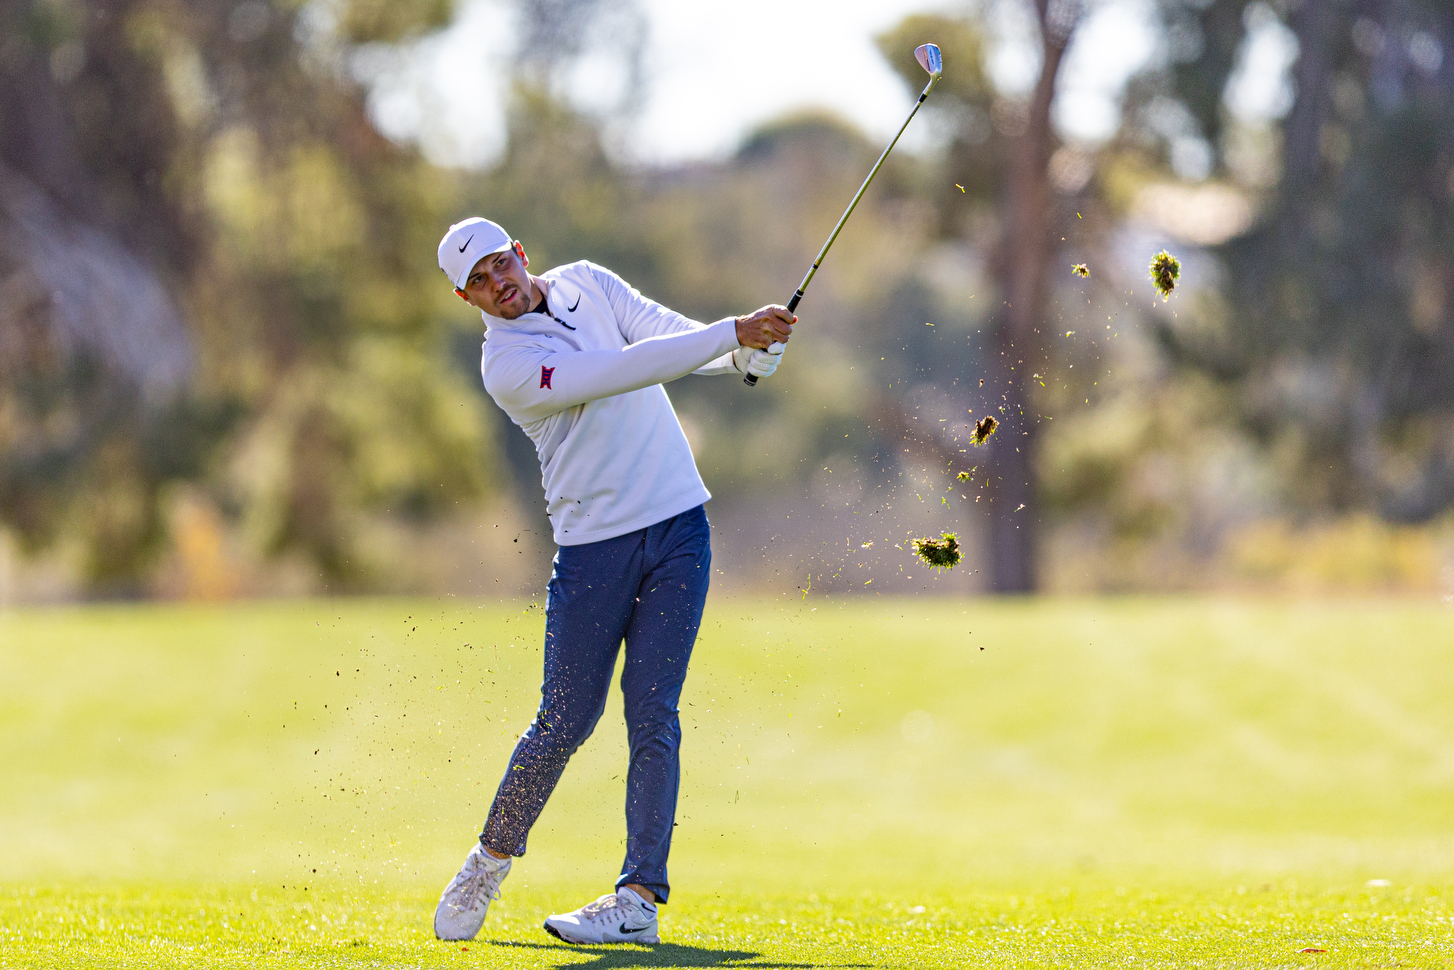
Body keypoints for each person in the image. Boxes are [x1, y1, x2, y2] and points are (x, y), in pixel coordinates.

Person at [430, 217, 794, 945]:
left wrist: (746, 355)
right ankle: (490, 858)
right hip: (595, 548)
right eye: (479, 281)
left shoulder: (589, 282)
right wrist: (734, 333)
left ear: (521, 254)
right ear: (465, 298)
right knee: (563, 721)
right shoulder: (506, 365)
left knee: (652, 710)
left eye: (501, 264)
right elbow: (628, 369)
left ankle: (637, 901)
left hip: (679, 527)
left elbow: (669, 337)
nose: (498, 284)